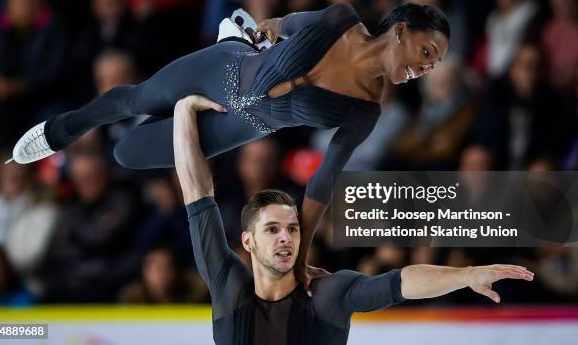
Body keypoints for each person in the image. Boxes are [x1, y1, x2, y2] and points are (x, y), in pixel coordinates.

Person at [10, 1, 450, 286]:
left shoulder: (365, 111)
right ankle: (60, 131)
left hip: (236, 124)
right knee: (134, 97)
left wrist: (299, 256)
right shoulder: (341, 19)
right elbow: (285, 24)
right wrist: (266, 30)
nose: (425, 67)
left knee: (127, 153)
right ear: (401, 31)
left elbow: (322, 182)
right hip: (222, 69)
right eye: (427, 52)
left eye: (434, 64)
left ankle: (203, 85)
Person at [173, 94, 534, 344]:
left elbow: (401, 282)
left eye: (293, 229)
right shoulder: (229, 287)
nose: (286, 237)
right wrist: (184, 110)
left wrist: (467, 275)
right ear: (248, 241)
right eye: (272, 229)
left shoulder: (327, 296)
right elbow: (196, 193)